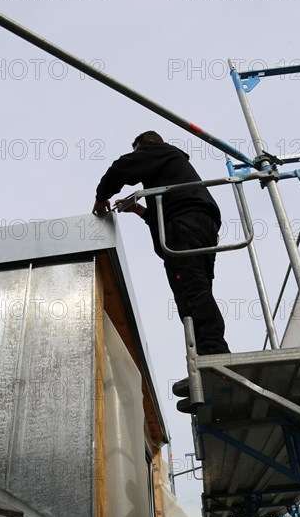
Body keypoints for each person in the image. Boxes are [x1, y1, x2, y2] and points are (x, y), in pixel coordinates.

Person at [92, 131, 230, 355]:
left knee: (191, 289)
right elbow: (168, 218)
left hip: (187, 223)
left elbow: (120, 168)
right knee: (195, 288)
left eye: (139, 150)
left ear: (150, 144)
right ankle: (208, 353)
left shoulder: (160, 151)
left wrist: (101, 197)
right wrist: (140, 211)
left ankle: (214, 355)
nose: (140, 155)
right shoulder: (174, 171)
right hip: (197, 225)